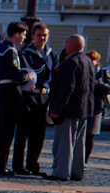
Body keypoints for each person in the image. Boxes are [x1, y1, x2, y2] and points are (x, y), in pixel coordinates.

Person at [47, 35, 94, 182]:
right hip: (84, 108)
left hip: (69, 108)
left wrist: (57, 108)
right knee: (79, 143)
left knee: (64, 142)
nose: (65, 44)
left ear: (72, 45)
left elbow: (67, 88)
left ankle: (61, 172)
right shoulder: (88, 61)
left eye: (67, 41)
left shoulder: (71, 62)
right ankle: (76, 172)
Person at [0, 21, 29, 176]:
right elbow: (15, 74)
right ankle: (0, 165)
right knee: (7, 130)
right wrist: (26, 76)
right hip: (11, 90)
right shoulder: (11, 51)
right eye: (23, 35)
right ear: (16, 34)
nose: (23, 38)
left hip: (2, 88)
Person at [14, 23, 57, 176]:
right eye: (39, 35)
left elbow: (55, 79)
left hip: (44, 98)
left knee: (39, 135)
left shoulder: (52, 55)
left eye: (45, 35)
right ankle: (18, 165)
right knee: (22, 133)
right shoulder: (25, 54)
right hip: (28, 97)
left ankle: (33, 164)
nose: (42, 38)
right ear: (33, 36)